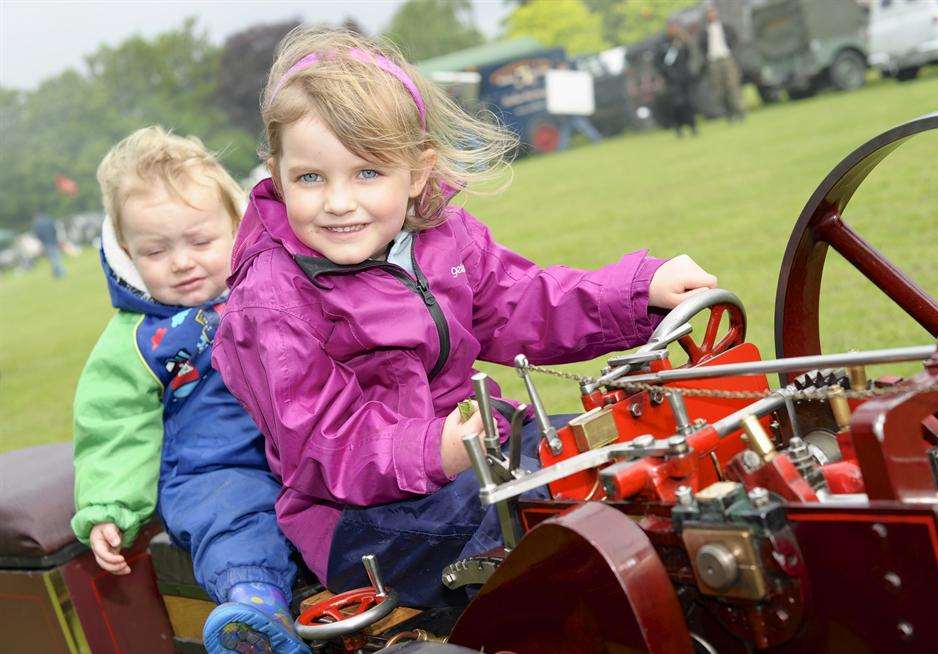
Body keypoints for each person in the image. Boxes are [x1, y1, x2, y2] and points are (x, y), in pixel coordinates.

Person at [213, 27, 717, 610]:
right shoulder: (272, 299)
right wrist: (435, 450)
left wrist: (639, 293)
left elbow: (525, 302)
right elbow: (321, 444)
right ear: (275, 173)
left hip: (477, 451)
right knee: (557, 521)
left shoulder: (443, 238)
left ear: (418, 172)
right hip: (362, 522)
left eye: (367, 172)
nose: (338, 201)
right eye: (310, 178)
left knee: (623, 448)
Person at [71, 126, 310, 654]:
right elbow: (113, 427)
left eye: (200, 242)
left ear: (235, 227)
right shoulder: (134, 340)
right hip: (217, 468)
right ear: (128, 254)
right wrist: (109, 505)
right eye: (156, 251)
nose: (181, 261)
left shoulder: (273, 285)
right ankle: (255, 612)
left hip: (307, 440)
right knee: (229, 521)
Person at [699, 4, 745, 122]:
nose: (712, 15)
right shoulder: (704, 31)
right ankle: (729, 113)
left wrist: (733, 52)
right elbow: (701, 47)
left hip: (726, 58)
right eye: (709, 13)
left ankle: (740, 111)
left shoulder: (725, 27)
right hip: (713, 62)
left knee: (732, 86)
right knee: (719, 90)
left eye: (713, 12)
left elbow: (735, 39)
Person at [657, 21, 700, 137]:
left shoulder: (682, 41)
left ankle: (693, 126)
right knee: (677, 104)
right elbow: (659, 62)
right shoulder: (662, 43)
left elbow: (688, 56)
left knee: (688, 102)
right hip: (671, 80)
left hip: (684, 77)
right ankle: (678, 127)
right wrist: (665, 74)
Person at [32, 211, 66, 278]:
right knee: (56, 257)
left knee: (53, 259)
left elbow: (38, 236)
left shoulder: (37, 225)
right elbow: (55, 230)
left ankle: (60, 273)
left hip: (46, 243)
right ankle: (57, 273)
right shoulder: (49, 220)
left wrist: (42, 243)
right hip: (53, 241)